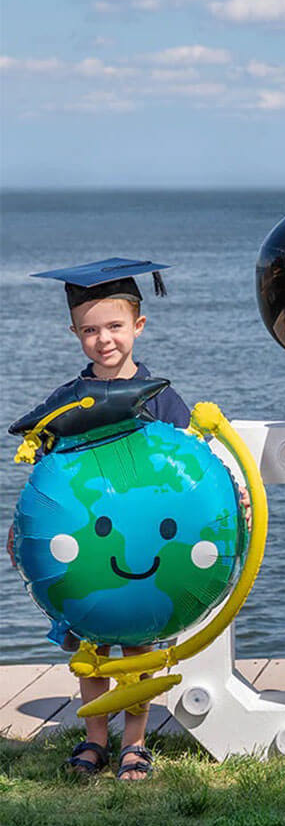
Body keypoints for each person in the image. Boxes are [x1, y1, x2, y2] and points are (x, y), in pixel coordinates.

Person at [6, 258, 189, 781]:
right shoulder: (67, 403)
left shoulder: (162, 398)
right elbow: (48, 475)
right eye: (90, 330)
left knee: (137, 642)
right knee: (92, 642)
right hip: (88, 545)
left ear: (138, 326)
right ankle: (95, 739)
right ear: (74, 334)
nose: (103, 339)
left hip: (143, 544)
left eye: (113, 326)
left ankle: (135, 743)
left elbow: (188, 468)